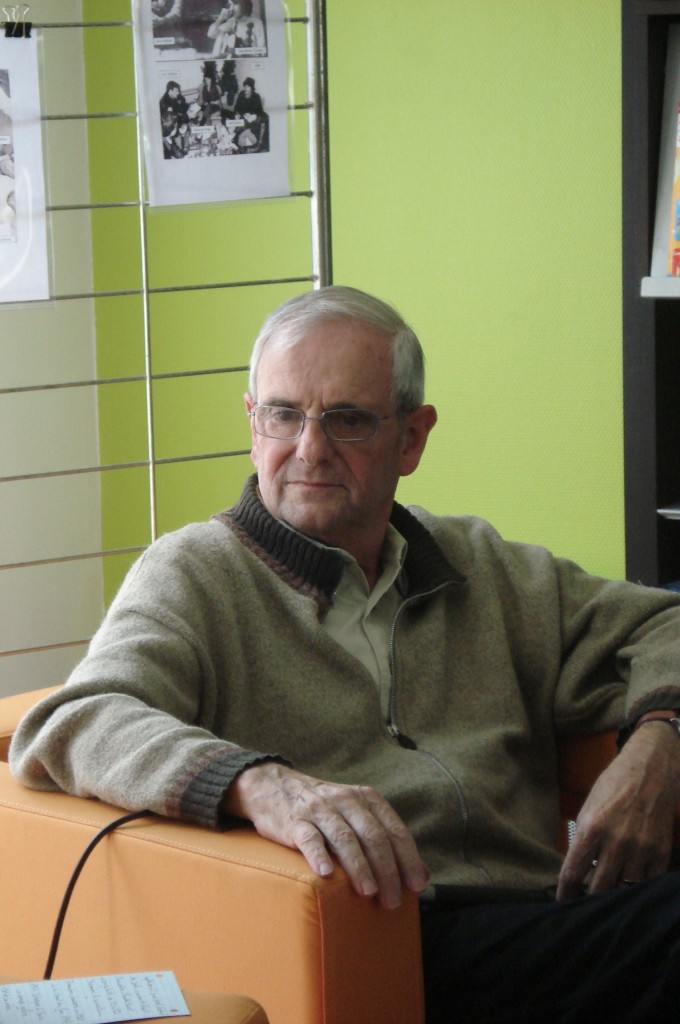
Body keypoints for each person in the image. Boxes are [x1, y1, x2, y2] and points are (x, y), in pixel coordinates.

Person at [9, 286, 680, 1022]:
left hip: (548, 918)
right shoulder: (195, 574)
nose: (310, 449)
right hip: (390, 938)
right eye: (283, 414)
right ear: (252, 423)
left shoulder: (482, 565)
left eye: (348, 420)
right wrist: (260, 784)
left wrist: (660, 740)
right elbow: (76, 721)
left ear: (412, 439)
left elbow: (663, 625)